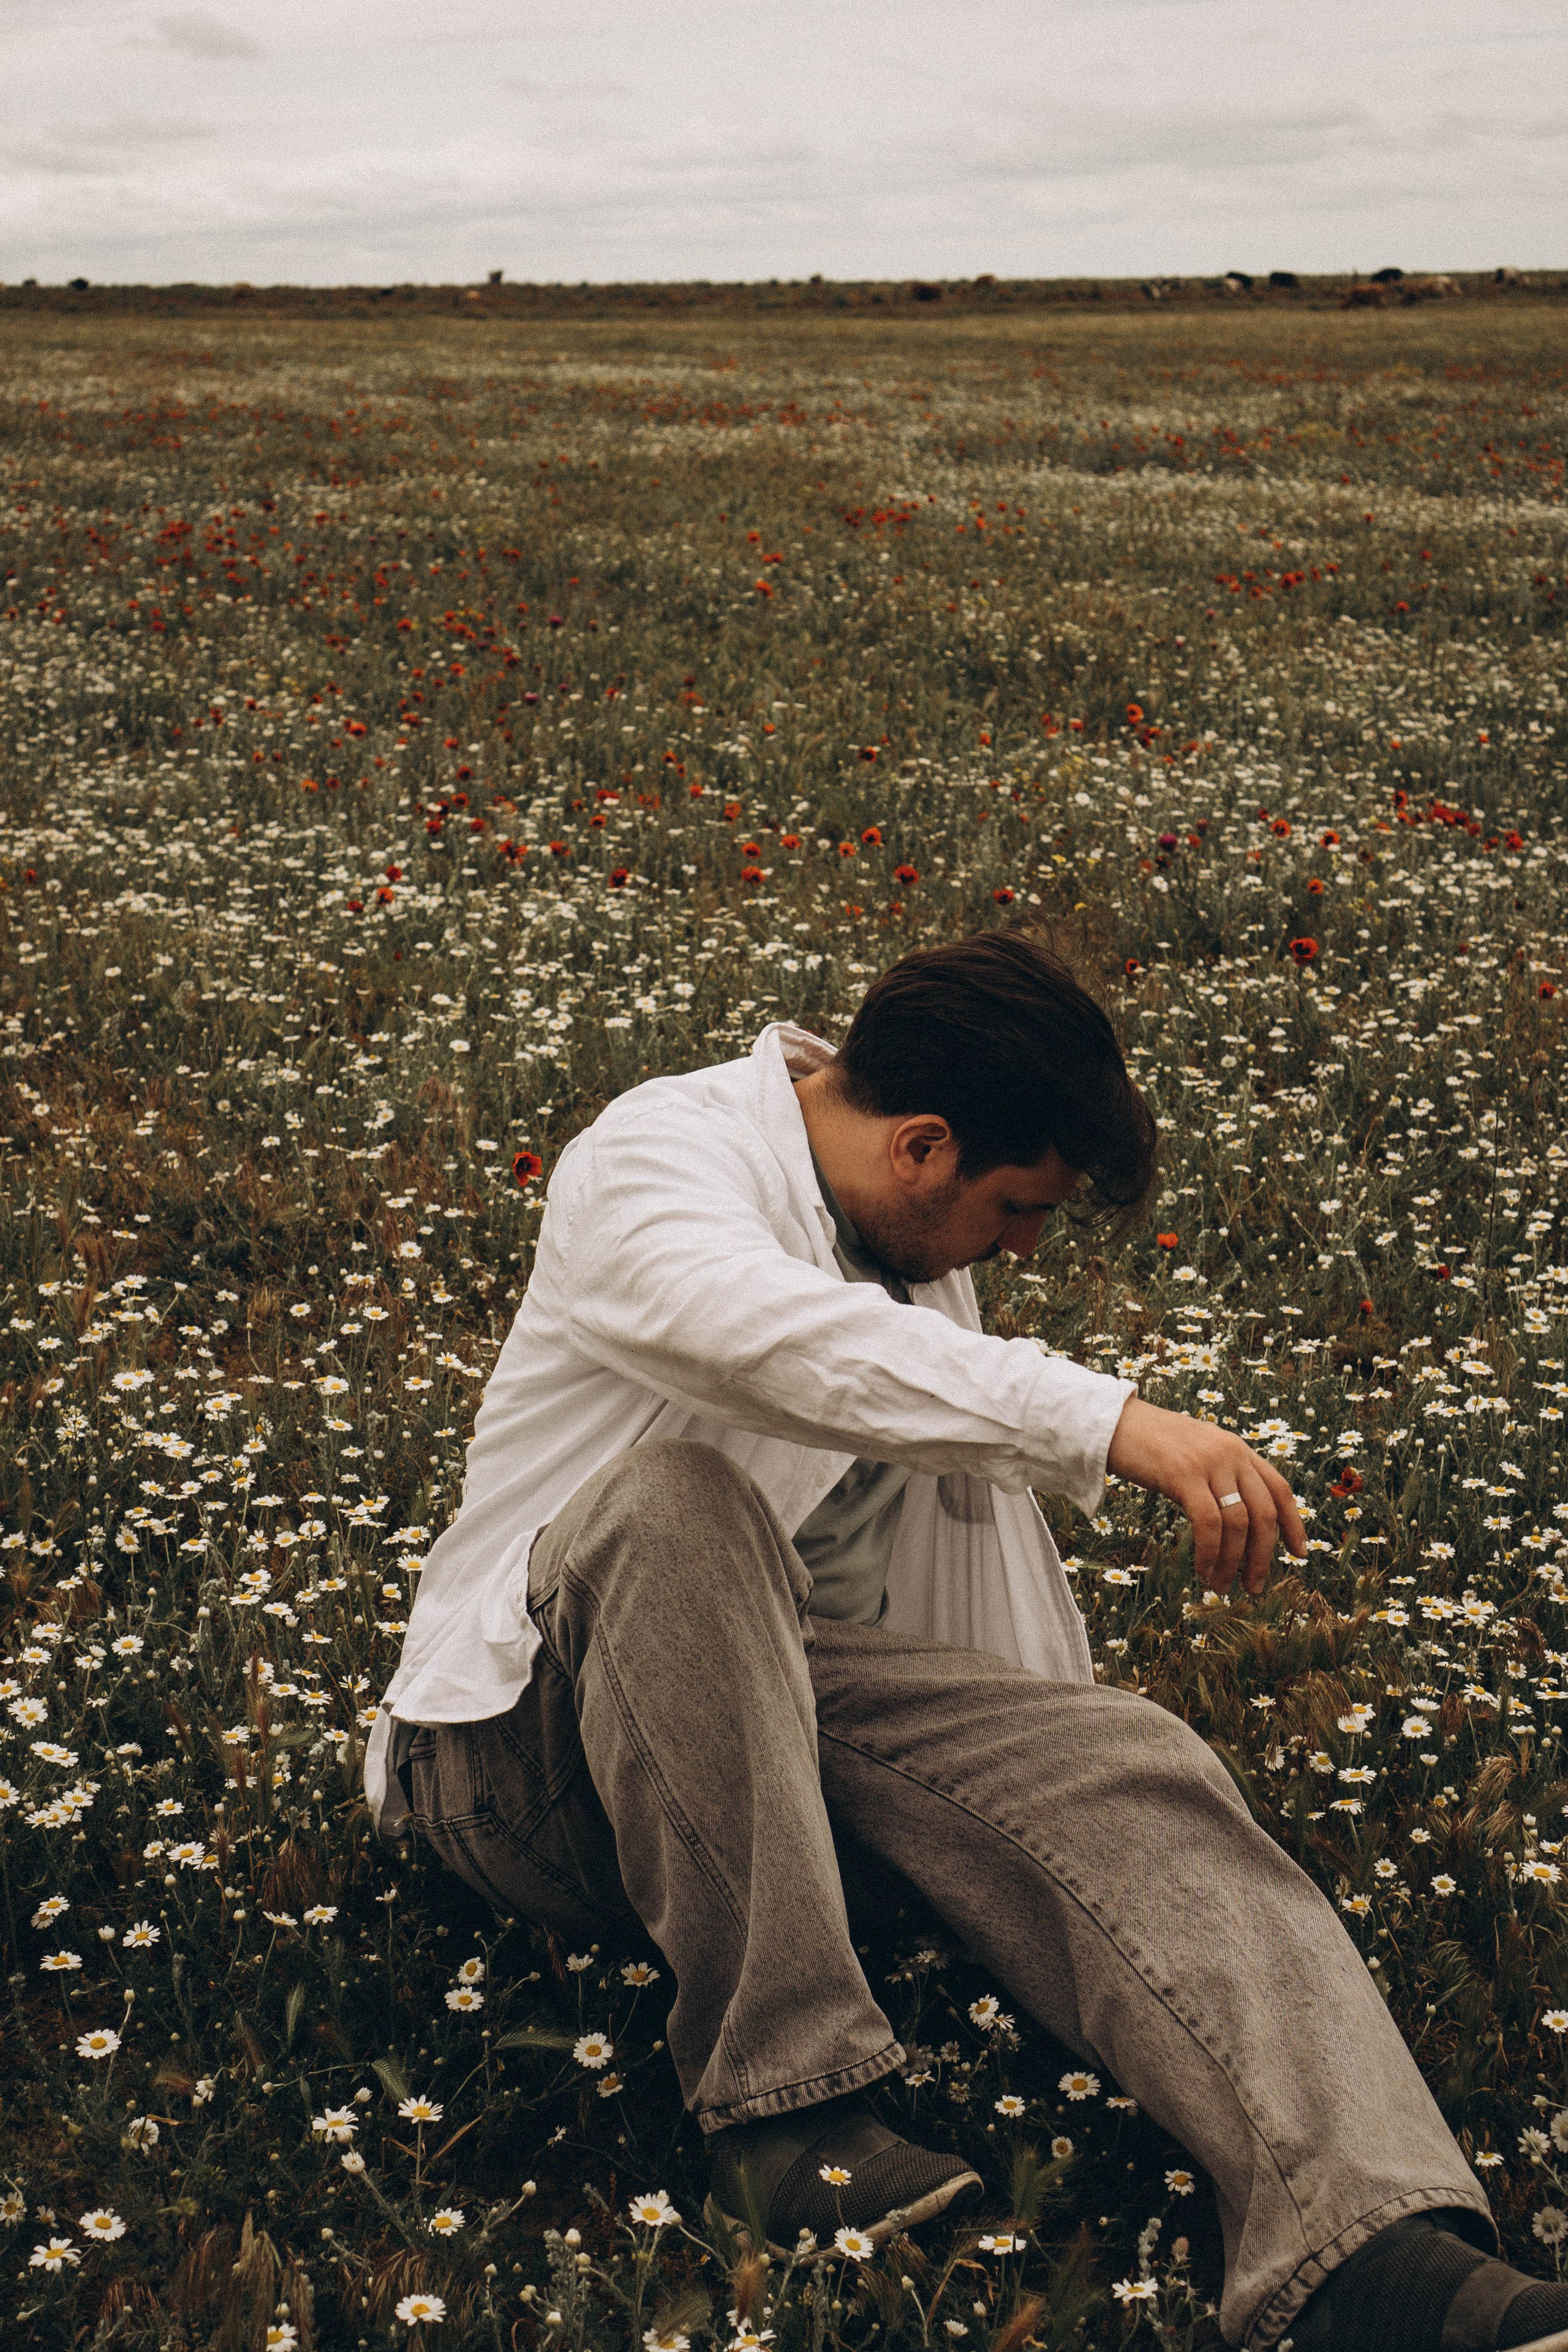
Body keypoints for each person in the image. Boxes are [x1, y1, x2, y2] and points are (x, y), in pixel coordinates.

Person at [364, 932, 1568, 2352]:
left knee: (1122, 1755)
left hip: (772, 1744)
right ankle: (787, 2115)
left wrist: (1039, 1831)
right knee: (674, 1503)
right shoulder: (652, 1162)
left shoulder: (905, 1241)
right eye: (1014, 1209)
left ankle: (1368, 2251)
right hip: (517, 1763)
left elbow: (956, 1567)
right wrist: (1104, 1421)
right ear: (921, 1146)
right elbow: (751, 1333)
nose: (1021, 1248)